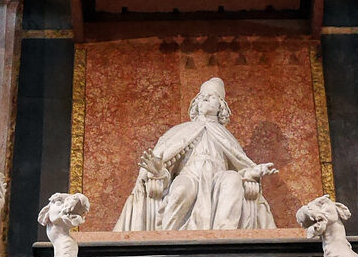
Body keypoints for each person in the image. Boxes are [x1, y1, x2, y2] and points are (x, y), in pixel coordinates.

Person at [114, 77, 278, 231]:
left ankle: (224, 236)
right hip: (189, 176)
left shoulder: (226, 137)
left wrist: (250, 173)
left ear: (221, 107)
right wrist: (158, 172)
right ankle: (168, 237)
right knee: (181, 188)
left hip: (217, 179)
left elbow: (239, 165)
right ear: (196, 104)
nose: (205, 99)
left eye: (212, 97)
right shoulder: (180, 131)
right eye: (202, 97)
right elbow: (166, 171)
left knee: (232, 179)